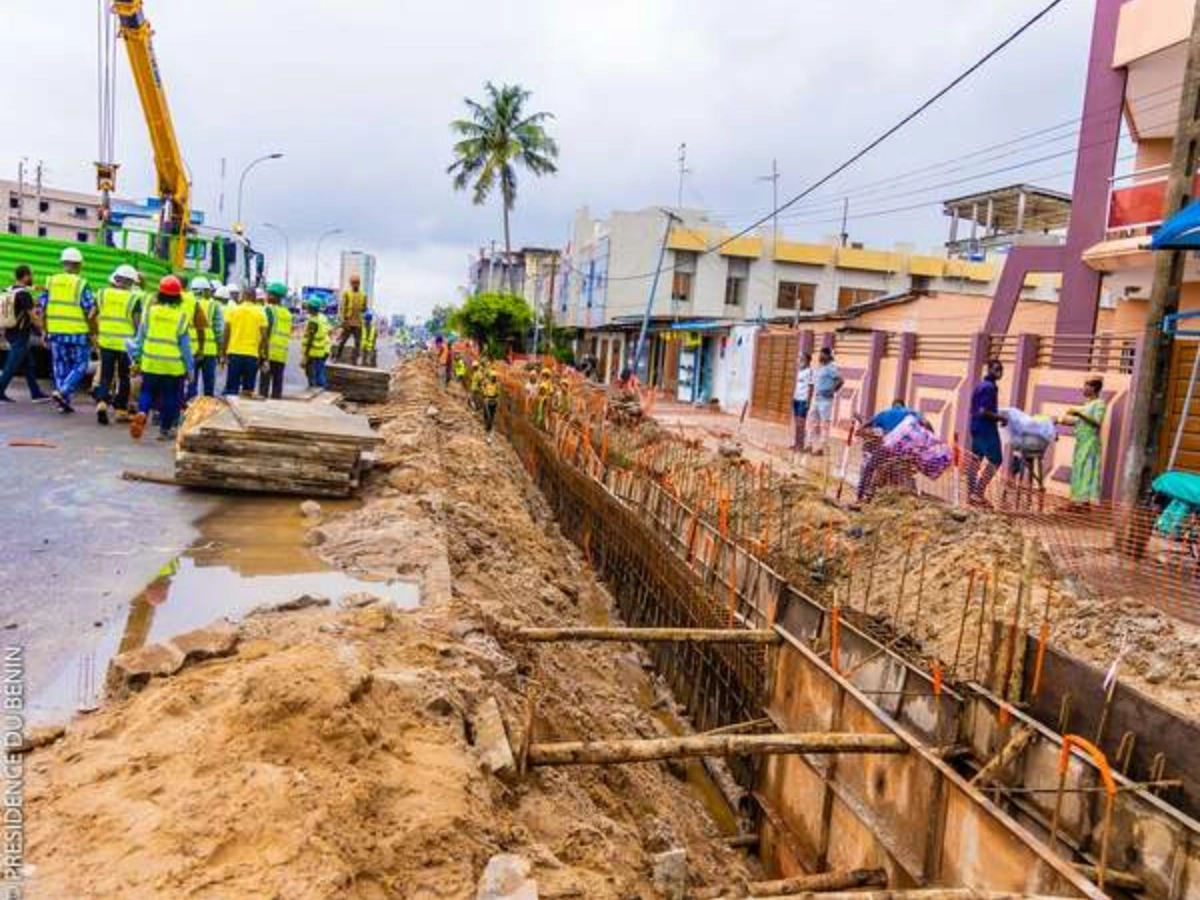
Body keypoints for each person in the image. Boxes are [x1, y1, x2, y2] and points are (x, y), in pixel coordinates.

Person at [129, 275, 193, 442]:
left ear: (160, 294)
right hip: (173, 366)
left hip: (150, 362)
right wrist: (190, 368)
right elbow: (185, 347)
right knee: (170, 397)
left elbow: (140, 338)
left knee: (147, 391)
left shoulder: (149, 313)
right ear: (178, 296)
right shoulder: (181, 317)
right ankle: (164, 430)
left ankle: (142, 411)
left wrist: (136, 358)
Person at [40, 247, 98, 413]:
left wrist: (44, 330)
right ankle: (63, 391)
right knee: (80, 365)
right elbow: (90, 311)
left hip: (56, 332)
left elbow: (43, 309)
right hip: (78, 333)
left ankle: (62, 402)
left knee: (60, 366)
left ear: (63, 263)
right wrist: (93, 333)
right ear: (79, 265)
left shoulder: (51, 281)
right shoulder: (81, 284)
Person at [93, 264, 142, 424]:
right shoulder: (134, 298)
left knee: (106, 375)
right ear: (131, 283)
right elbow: (137, 324)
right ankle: (121, 410)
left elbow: (91, 315)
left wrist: (95, 333)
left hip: (106, 340)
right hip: (125, 344)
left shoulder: (102, 294)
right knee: (124, 377)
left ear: (116, 279)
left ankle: (102, 403)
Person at [0, 264, 49, 403]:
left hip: (10, 330)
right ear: (26, 276)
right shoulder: (24, 294)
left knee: (29, 364)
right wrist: (43, 330)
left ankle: (36, 393)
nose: (32, 278)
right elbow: (33, 316)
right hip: (20, 334)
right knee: (11, 365)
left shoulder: (8, 290)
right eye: (31, 275)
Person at [967, 359, 1008, 506]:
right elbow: (983, 411)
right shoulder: (989, 387)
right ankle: (978, 493)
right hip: (986, 428)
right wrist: (1000, 417)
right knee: (996, 459)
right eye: (996, 369)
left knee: (975, 460)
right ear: (989, 369)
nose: (999, 372)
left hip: (975, 426)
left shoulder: (980, 385)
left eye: (1001, 369)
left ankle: (971, 494)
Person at [1064, 377, 1107, 507]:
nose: (1084, 389)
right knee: (1078, 469)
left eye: (1086, 386)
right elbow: (1080, 422)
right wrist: (1061, 420)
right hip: (1081, 442)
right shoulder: (1087, 404)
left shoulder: (1100, 404)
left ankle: (1084, 502)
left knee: (1087, 470)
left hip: (1090, 442)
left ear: (1094, 388)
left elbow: (1097, 421)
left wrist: (1079, 413)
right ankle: (1076, 500)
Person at [221, 285, 268, 395]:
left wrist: (223, 354)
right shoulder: (260, 313)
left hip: (234, 354)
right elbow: (265, 337)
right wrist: (263, 356)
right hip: (252, 355)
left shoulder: (233, 311)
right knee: (248, 390)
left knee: (231, 389)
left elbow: (226, 333)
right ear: (255, 298)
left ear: (243, 296)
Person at [187, 277, 223, 400]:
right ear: (205, 291)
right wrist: (219, 350)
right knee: (209, 386)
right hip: (209, 351)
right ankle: (206, 411)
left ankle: (189, 409)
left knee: (191, 383)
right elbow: (219, 331)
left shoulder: (187, 303)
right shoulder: (214, 305)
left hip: (191, 349)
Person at [259, 282, 291, 399]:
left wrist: (262, 353)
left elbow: (265, 333)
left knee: (264, 386)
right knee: (277, 386)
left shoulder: (268, 310)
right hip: (281, 354)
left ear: (274, 296)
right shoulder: (287, 313)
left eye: (268, 293)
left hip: (269, 352)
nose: (266, 296)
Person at [810, 346, 843, 455]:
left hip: (825, 400)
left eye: (823, 354)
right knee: (814, 422)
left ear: (828, 355)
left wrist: (832, 391)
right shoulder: (821, 367)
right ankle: (811, 445)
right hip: (817, 398)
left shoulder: (831, 367)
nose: (820, 356)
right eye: (820, 354)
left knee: (824, 424)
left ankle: (822, 448)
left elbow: (840, 380)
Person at [335, 274, 368, 364]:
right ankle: (336, 357)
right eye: (353, 283)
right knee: (343, 341)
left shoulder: (363, 295)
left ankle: (354, 360)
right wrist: (344, 321)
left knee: (357, 343)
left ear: (359, 283)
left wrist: (363, 309)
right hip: (348, 322)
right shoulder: (346, 293)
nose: (355, 284)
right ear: (351, 283)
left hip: (358, 323)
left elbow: (364, 308)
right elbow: (343, 307)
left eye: (357, 283)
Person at [302, 297, 331, 388]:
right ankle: (320, 388)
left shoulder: (313, 321)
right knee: (319, 371)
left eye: (308, 306)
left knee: (312, 373)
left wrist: (305, 355)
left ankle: (316, 389)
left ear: (312, 308)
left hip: (313, 351)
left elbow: (310, 338)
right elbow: (329, 331)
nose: (307, 308)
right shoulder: (323, 318)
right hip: (322, 350)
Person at [792, 351, 813, 453]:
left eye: (801, 359)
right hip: (796, 399)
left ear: (807, 360)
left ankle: (801, 445)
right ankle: (796, 443)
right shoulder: (800, 371)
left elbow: (811, 387)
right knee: (797, 423)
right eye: (799, 358)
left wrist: (808, 401)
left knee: (801, 424)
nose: (799, 361)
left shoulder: (810, 372)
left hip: (803, 400)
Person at [481, 364, 500, 438]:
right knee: (486, 414)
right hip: (487, 399)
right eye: (493, 377)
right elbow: (483, 387)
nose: (494, 378)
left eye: (495, 377)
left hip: (493, 401)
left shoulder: (497, 385)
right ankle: (487, 425)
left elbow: (498, 393)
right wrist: (484, 392)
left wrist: (496, 399)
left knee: (491, 415)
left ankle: (489, 427)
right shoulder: (487, 383)